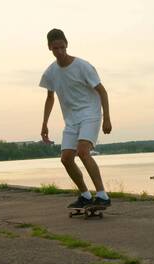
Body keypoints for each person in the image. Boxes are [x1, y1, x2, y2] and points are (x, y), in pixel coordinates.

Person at [39, 28, 112, 208]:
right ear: (49, 48)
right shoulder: (50, 73)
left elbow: (102, 91)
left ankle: (102, 195)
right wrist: (44, 124)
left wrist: (107, 118)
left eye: (62, 47)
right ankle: (85, 196)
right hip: (71, 120)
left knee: (83, 152)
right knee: (66, 158)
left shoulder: (82, 66)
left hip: (90, 114)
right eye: (56, 48)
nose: (60, 52)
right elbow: (50, 97)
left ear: (67, 44)